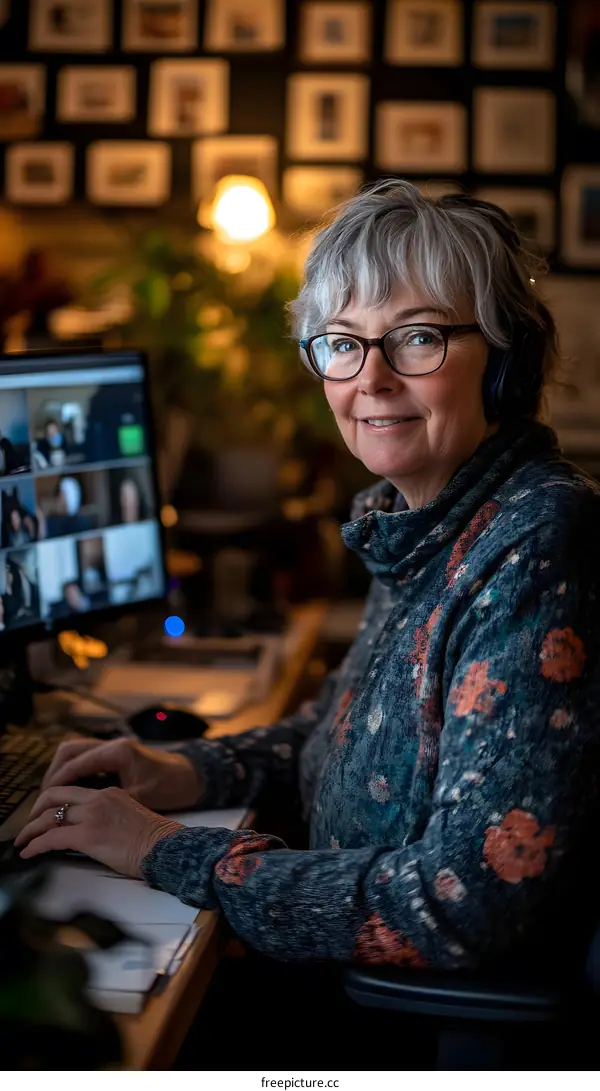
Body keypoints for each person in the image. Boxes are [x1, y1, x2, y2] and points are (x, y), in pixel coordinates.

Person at [16, 182, 600, 993]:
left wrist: (162, 848)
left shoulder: (537, 543)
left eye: (418, 337)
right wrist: (176, 771)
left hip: (408, 1037)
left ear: (504, 362)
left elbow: (467, 902)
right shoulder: (419, 521)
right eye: (342, 342)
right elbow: (334, 738)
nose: (372, 379)